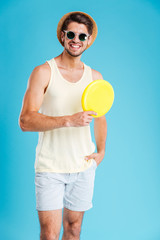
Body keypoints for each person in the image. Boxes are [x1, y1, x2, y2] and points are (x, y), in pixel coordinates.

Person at [19, 11, 107, 240]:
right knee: (49, 234)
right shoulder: (44, 72)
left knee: (74, 229)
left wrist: (101, 151)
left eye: (81, 36)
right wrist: (68, 120)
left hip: (82, 167)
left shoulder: (95, 77)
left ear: (88, 41)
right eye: (71, 34)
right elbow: (25, 121)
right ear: (62, 35)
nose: (75, 40)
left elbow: (101, 117)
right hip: (50, 168)